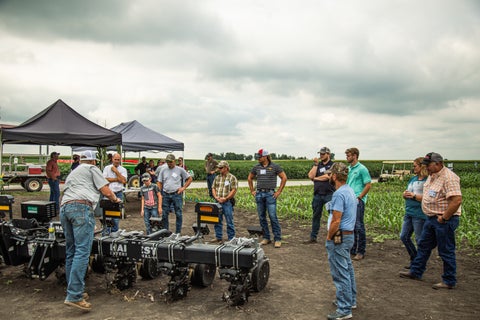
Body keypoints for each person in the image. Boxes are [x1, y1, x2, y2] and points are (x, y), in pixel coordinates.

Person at [60, 150, 121, 311]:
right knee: (82, 251)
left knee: (71, 251)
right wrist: (116, 199)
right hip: (81, 207)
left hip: (65, 208)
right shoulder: (92, 169)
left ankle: (73, 290)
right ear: (94, 161)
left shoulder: (74, 172)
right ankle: (74, 295)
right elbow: (105, 189)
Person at [399, 152, 462, 290]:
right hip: (431, 218)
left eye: (428, 165)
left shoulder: (449, 178)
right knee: (423, 246)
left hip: (443, 220)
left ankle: (449, 280)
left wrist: (444, 217)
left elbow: (456, 200)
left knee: (446, 250)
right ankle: (416, 272)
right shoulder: (432, 176)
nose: (426, 167)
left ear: (438, 164)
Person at [325, 162, 357, 320]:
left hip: (339, 235)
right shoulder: (349, 190)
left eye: (331, 174)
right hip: (348, 234)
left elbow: (336, 221)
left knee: (340, 271)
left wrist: (329, 237)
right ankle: (350, 300)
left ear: (335, 176)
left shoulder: (339, 194)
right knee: (347, 267)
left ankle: (344, 308)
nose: (330, 176)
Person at [247, 148, 287, 248]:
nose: (258, 159)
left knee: (273, 217)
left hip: (270, 194)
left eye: (260, 157)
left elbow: (284, 178)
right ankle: (266, 237)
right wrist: (252, 190)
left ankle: (277, 239)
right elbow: (250, 178)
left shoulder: (275, 166)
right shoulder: (256, 167)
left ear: (265, 156)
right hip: (259, 194)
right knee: (261, 217)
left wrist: (278, 192)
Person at [400, 157, 428, 268]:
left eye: (415, 166)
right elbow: (408, 191)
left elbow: (428, 198)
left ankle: (419, 264)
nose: (413, 168)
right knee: (404, 236)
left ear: (422, 166)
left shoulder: (427, 181)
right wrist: (405, 194)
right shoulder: (413, 179)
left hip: (419, 214)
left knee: (419, 239)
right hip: (409, 212)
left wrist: (414, 196)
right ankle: (415, 258)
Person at [345, 147, 371, 261]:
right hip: (349, 199)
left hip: (357, 200)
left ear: (355, 155)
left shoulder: (362, 169)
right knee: (351, 226)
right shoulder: (349, 169)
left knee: (359, 226)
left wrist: (360, 197)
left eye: (348, 155)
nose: (347, 157)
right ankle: (353, 249)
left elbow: (368, 184)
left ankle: (361, 251)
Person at [305, 146, 335, 243]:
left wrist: (315, 179)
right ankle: (313, 237)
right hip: (318, 194)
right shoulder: (319, 165)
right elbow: (310, 175)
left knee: (332, 215)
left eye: (323, 154)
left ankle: (332, 237)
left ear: (328, 154)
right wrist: (315, 164)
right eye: (320, 154)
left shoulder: (333, 165)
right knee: (316, 216)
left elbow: (327, 177)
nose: (321, 156)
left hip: (329, 194)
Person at [157, 153, 193, 233]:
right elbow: (159, 181)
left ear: (174, 161)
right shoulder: (163, 170)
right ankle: (165, 232)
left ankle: (178, 232)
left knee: (178, 213)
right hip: (166, 194)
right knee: (164, 214)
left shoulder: (180, 169)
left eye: (171, 162)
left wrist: (183, 188)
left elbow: (189, 178)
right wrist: (159, 191)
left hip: (176, 194)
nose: (169, 164)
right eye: (168, 162)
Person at [211, 161, 238, 243]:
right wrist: (216, 197)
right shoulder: (217, 177)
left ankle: (231, 238)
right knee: (217, 220)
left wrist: (226, 198)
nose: (219, 169)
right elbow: (213, 188)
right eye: (218, 168)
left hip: (227, 202)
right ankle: (218, 237)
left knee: (229, 221)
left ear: (226, 168)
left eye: (221, 168)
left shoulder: (232, 177)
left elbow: (234, 190)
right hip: (217, 201)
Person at [102, 153, 127, 234]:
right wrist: (117, 179)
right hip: (108, 193)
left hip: (118, 193)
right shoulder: (106, 168)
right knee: (107, 215)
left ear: (120, 160)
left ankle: (114, 233)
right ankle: (106, 233)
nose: (116, 161)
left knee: (116, 216)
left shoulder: (123, 169)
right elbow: (104, 179)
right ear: (112, 159)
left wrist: (116, 172)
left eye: (118, 159)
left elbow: (123, 181)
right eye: (115, 159)